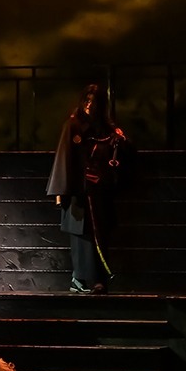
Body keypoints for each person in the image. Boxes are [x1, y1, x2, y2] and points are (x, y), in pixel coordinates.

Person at [46, 84, 130, 294]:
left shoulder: (107, 128)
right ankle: (81, 278)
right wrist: (63, 192)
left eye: (94, 101)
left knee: (99, 234)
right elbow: (65, 157)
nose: (90, 105)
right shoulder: (73, 125)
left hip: (100, 191)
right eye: (88, 100)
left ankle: (97, 279)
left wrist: (119, 142)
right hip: (79, 192)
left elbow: (120, 149)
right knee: (82, 235)